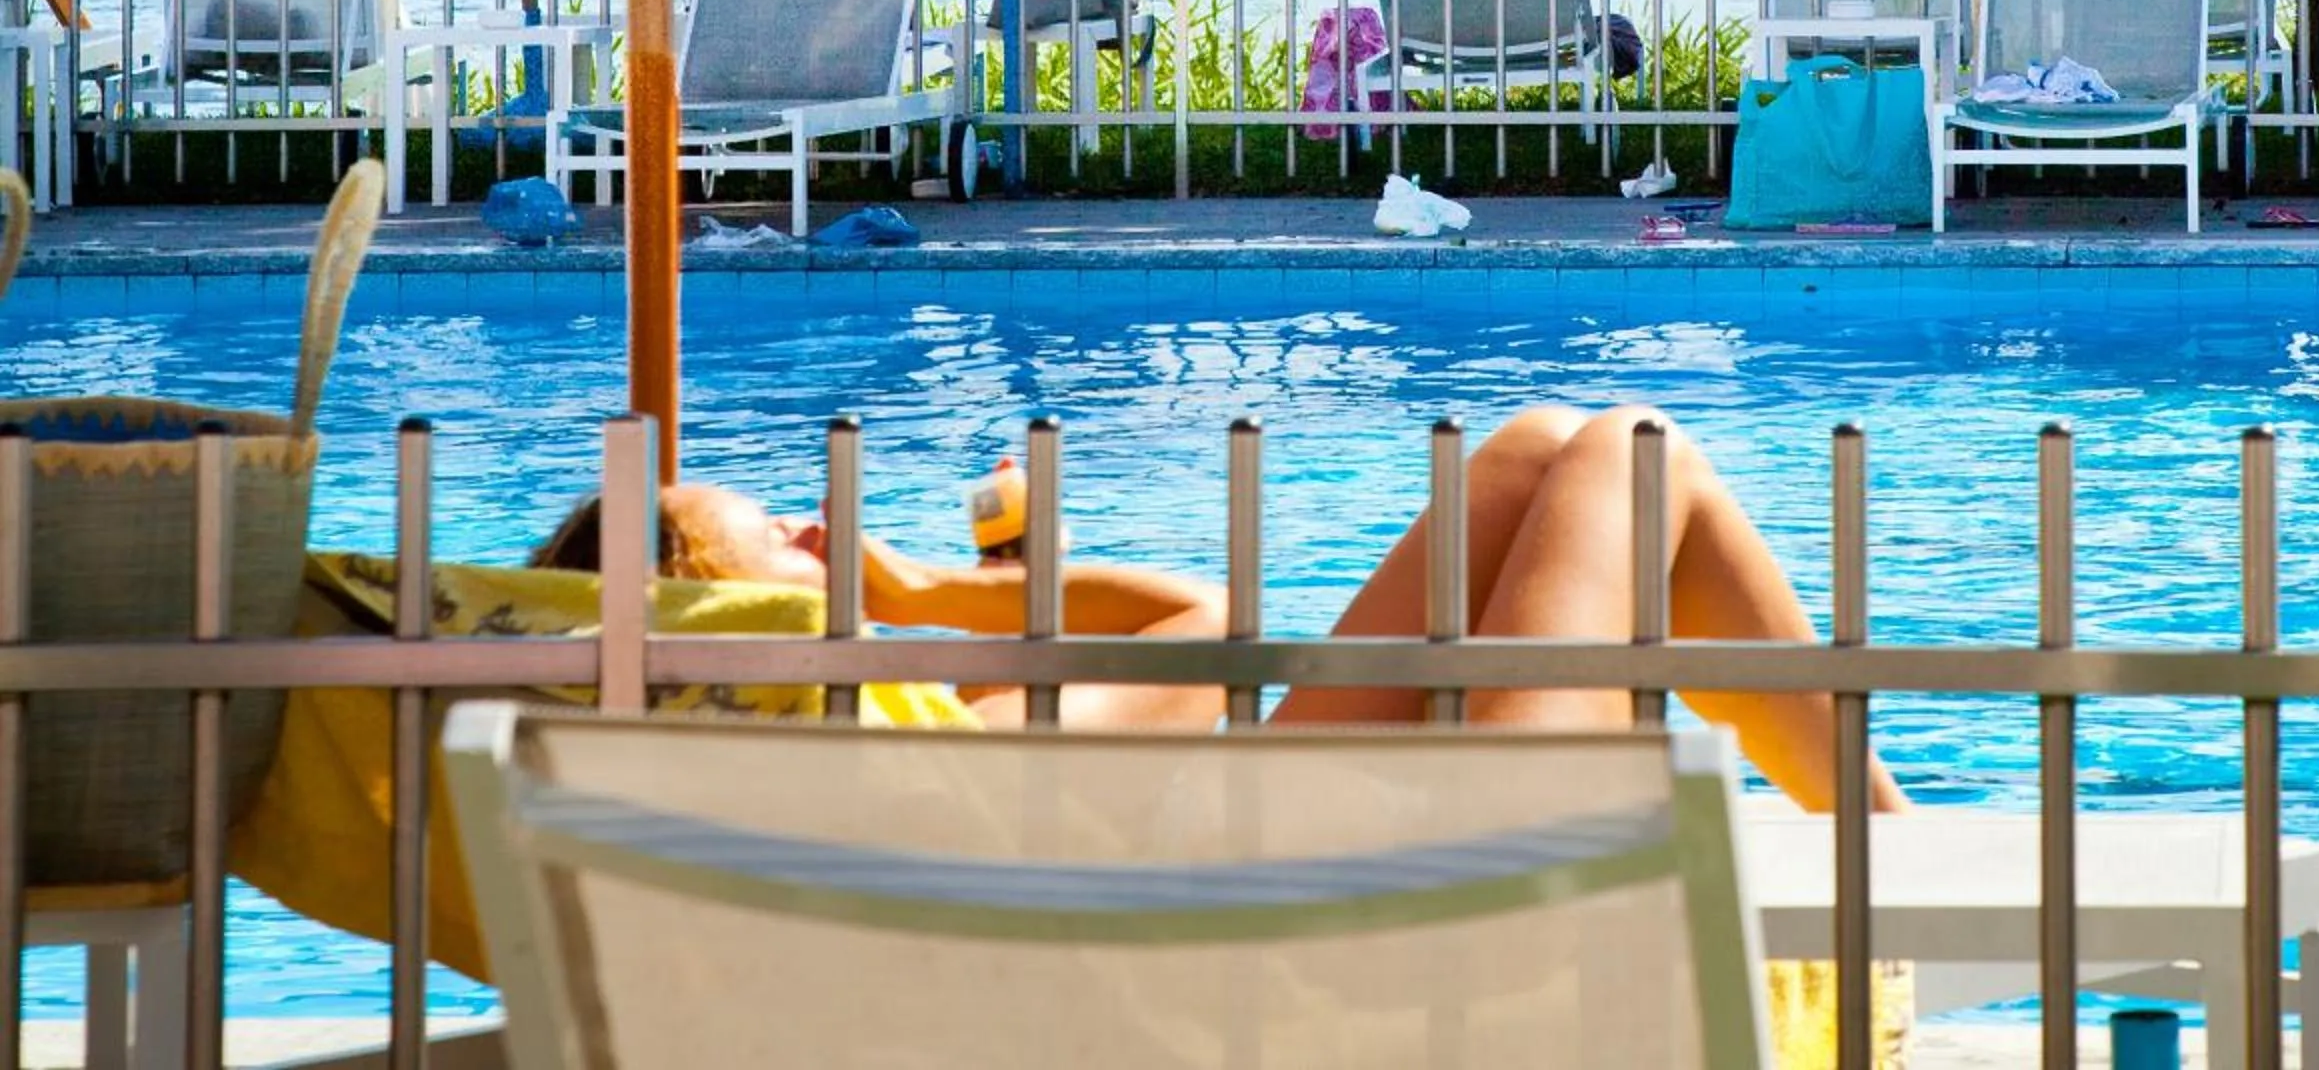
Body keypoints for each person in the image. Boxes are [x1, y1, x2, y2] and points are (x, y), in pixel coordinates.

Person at [531, 401, 1906, 815]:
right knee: (1634, 453)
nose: (815, 527)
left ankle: (1886, 841)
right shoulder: (937, 748)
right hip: (1426, 882)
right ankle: (1891, 853)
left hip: (1288, 838)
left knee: (1535, 455)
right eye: (778, 536)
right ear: (713, 617)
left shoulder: (840, 749)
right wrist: (931, 590)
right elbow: (1209, 626)